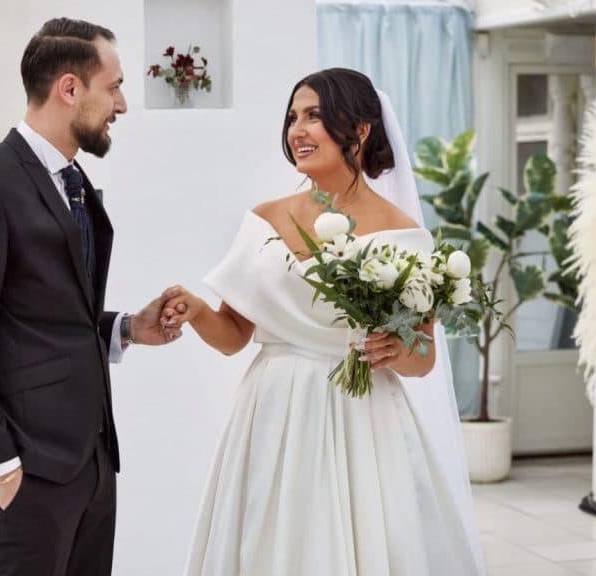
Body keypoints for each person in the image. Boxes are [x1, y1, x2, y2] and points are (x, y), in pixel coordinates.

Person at [161, 68, 485, 575]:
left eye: (313, 116)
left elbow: (423, 358)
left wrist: (395, 352)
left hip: (363, 419)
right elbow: (232, 339)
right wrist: (198, 310)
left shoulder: (404, 235)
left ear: (359, 131)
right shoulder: (264, 219)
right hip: (272, 413)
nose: (297, 130)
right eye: (293, 117)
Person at [0, 17, 181, 576]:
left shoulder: (74, 182)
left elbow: (50, 313)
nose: (122, 106)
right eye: (113, 87)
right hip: (25, 472)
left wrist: (126, 329)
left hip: (91, 465)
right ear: (70, 88)